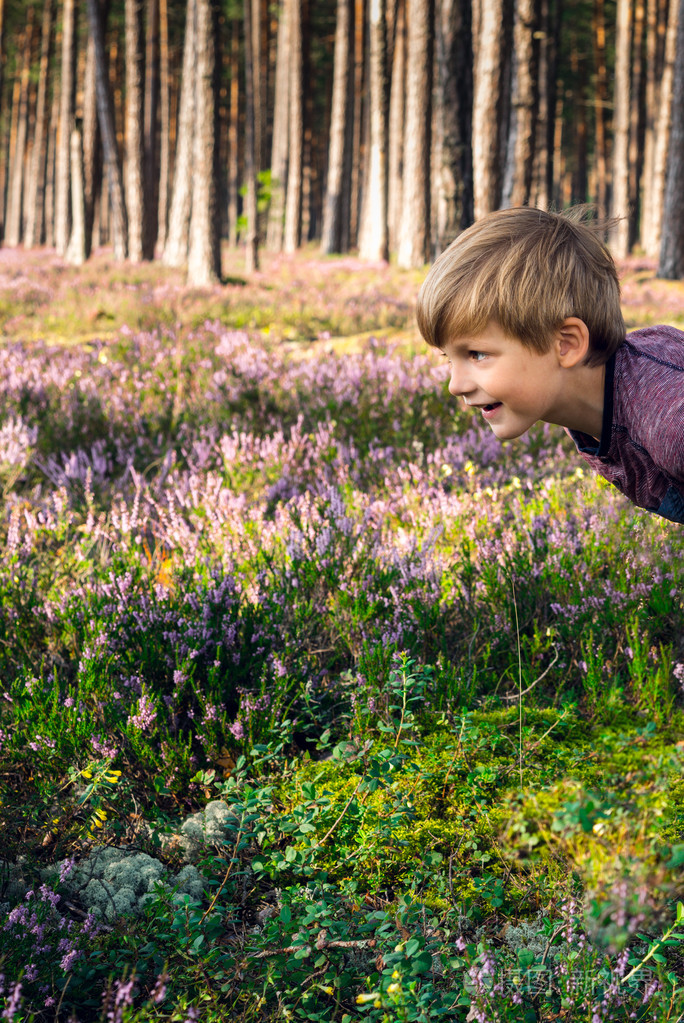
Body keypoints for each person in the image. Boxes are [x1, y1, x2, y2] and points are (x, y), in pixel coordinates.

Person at [415, 206, 684, 524]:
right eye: (448, 357)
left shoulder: (669, 419)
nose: (455, 385)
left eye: (477, 354)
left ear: (566, 345)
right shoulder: (592, 400)